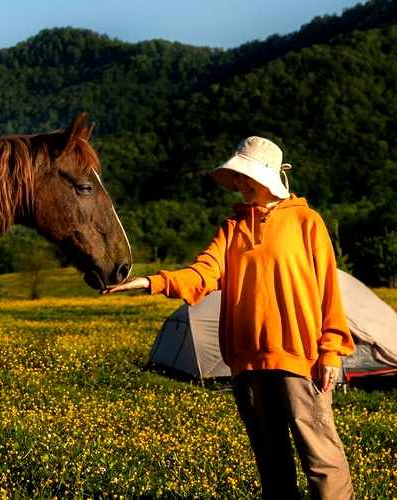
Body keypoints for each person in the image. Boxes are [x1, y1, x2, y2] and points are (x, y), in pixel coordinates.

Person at [103, 136, 356, 499]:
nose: (238, 184)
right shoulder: (232, 228)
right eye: (235, 177)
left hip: (300, 360)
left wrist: (331, 350)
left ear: (266, 177)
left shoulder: (306, 222)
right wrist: (150, 282)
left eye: (244, 176)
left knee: (321, 458)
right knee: (272, 462)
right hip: (247, 365)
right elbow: (202, 274)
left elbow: (328, 288)